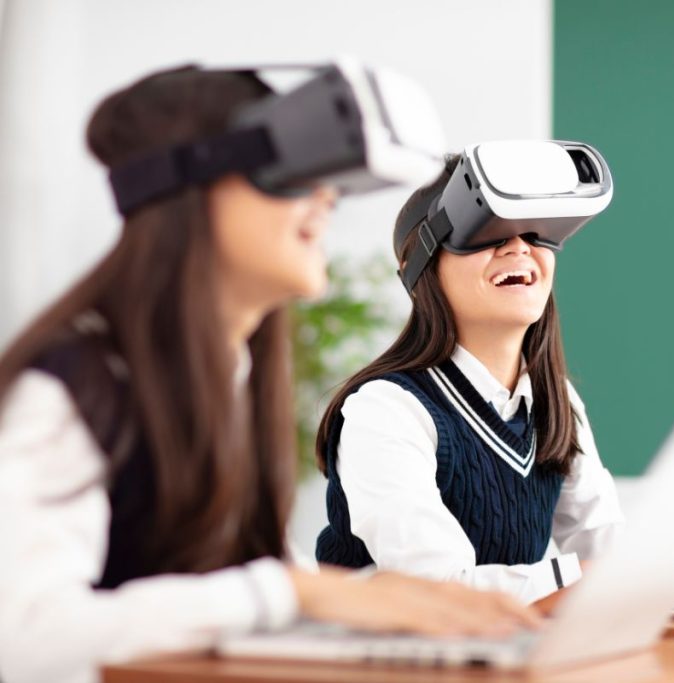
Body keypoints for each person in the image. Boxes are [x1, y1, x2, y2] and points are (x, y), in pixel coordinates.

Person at [0, 67, 537, 683]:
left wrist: (388, 610)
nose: (327, 198)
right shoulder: (70, 389)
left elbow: (242, 590)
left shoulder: (233, 376)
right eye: (288, 174)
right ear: (186, 190)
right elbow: (19, 636)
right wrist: (292, 591)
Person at [315, 154, 674, 607]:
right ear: (418, 268)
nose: (518, 247)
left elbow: (599, 537)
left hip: (507, 651)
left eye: (534, 232)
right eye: (485, 232)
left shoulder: (555, 401)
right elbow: (440, 590)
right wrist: (644, 569)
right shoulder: (386, 410)